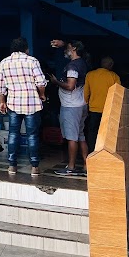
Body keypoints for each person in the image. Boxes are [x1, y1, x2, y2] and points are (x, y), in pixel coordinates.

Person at [0, 37, 47, 176]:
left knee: (13, 134)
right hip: (32, 103)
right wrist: (42, 95)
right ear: (26, 49)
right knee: (32, 136)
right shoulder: (32, 61)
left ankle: (12, 166)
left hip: (13, 103)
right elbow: (41, 82)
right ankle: (34, 167)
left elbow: (0, 86)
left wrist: (2, 101)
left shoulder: (4, 63)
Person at [49, 39, 90, 176]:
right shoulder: (82, 63)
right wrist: (62, 44)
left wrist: (56, 82)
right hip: (81, 104)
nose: (67, 50)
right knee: (80, 136)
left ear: (74, 49)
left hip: (71, 106)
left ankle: (71, 167)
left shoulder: (73, 66)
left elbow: (70, 86)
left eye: (69, 48)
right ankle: (86, 165)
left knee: (72, 138)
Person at [84, 57, 120, 153]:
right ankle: (106, 153)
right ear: (110, 65)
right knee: (107, 133)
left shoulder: (90, 75)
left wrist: (87, 104)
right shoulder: (114, 76)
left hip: (93, 109)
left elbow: (86, 93)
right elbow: (118, 94)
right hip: (108, 110)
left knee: (92, 132)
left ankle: (92, 152)